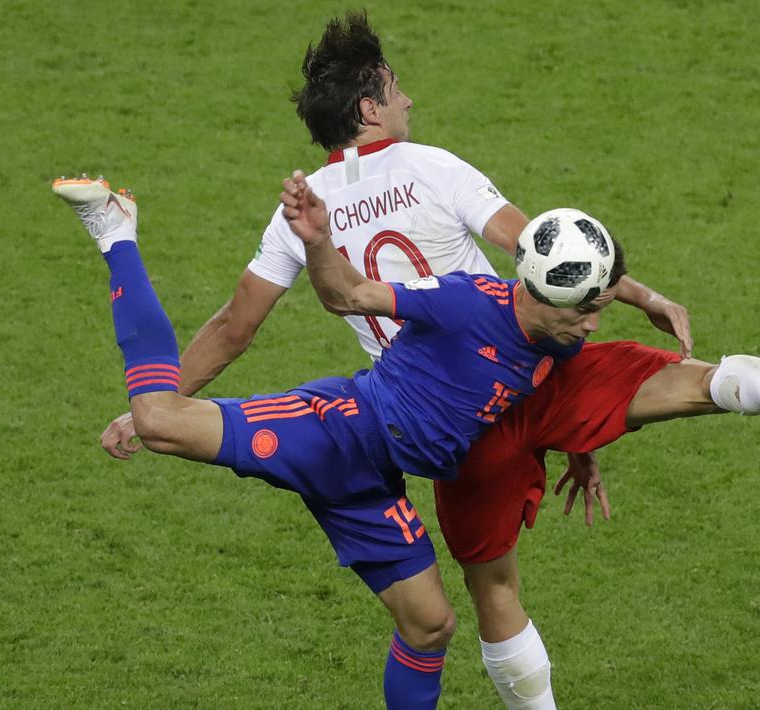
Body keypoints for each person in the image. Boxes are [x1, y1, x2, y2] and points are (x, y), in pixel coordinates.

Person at [93, 13, 760, 709]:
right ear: (372, 103)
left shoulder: (300, 212)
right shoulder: (433, 167)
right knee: (669, 382)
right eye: (399, 85)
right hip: (528, 365)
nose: (410, 97)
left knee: (488, 591)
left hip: (438, 421)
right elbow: (546, 254)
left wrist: (149, 409)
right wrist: (641, 295)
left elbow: (237, 327)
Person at [54, 170, 627, 708]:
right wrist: (319, 240)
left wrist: (581, 450)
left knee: (429, 624)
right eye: (586, 310)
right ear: (542, 290)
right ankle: (115, 230)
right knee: (157, 420)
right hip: (339, 430)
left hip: (372, 485)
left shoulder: (558, 337)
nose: (594, 325)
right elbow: (351, 296)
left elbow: (555, 395)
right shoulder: (468, 299)